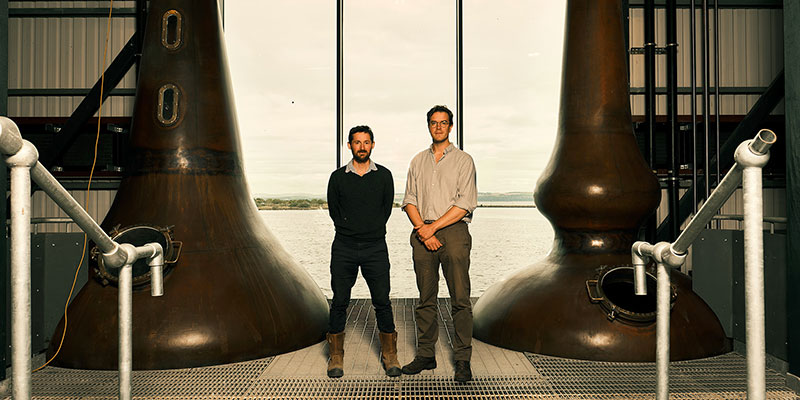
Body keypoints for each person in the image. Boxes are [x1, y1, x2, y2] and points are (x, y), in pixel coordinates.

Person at [400, 105, 477, 382]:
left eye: (444, 123)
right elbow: (409, 200)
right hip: (423, 233)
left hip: (454, 232)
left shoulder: (464, 161)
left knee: (460, 299)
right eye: (434, 123)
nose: (439, 127)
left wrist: (432, 228)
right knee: (425, 299)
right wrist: (423, 230)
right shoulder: (417, 161)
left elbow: (464, 204)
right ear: (429, 126)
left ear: (451, 126)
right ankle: (426, 355)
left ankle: (462, 360)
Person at [325, 125, 401, 378]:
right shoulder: (337, 177)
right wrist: (351, 229)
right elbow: (334, 211)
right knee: (339, 301)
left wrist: (370, 229)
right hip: (344, 247)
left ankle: (390, 354)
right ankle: (336, 356)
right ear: (349, 146)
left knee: (382, 302)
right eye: (357, 142)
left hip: (375, 247)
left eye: (366, 142)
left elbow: (385, 209)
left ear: (372, 145)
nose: (362, 146)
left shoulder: (384, 176)